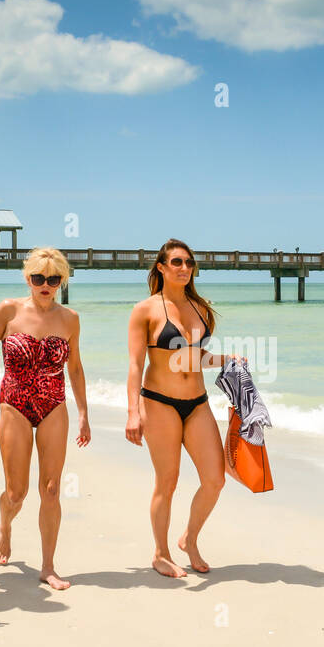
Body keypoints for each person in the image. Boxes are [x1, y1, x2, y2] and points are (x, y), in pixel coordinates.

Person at [0, 248, 91, 591]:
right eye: (39, 278)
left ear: (61, 281)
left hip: (54, 403)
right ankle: (5, 526)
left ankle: (48, 566)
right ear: (28, 278)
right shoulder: (8, 310)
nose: (45, 285)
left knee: (51, 490)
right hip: (14, 404)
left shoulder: (70, 319)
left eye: (53, 279)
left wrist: (83, 413)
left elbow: (76, 369)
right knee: (16, 492)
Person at [125, 239, 241, 578]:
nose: (184, 268)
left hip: (197, 403)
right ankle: (160, 554)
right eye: (177, 262)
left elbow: (196, 357)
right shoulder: (145, 310)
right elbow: (135, 365)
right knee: (168, 481)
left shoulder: (200, 308)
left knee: (215, 479)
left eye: (189, 263)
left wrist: (226, 359)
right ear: (161, 267)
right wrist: (133, 411)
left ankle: (188, 538)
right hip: (159, 402)